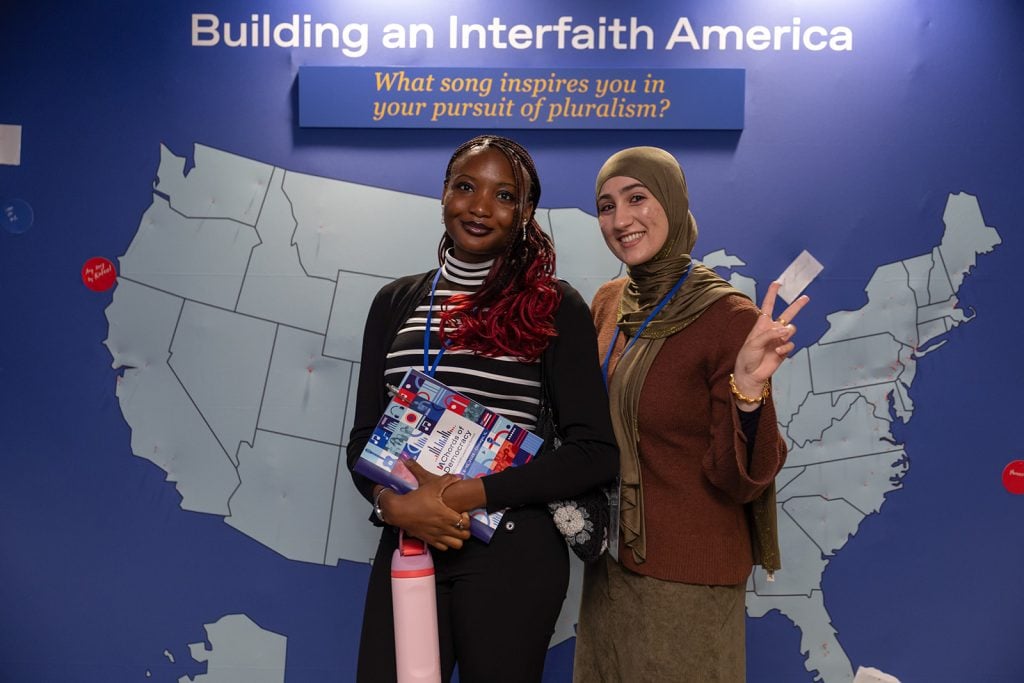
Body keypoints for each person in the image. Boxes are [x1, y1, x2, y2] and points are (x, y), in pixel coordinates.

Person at [346, 135, 618, 683]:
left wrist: (461, 494)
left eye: (504, 195)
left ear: (525, 213)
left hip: (514, 550)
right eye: (465, 187)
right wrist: (390, 505)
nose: (479, 207)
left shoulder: (553, 306)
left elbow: (594, 454)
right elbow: (364, 440)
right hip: (410, 538)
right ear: (444, 193)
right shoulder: (394, 303)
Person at [573, 146, 809, 682]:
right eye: (606, 206)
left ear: (674, 203)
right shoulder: (610, 302)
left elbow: (742, 479)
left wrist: (748, 391)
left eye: (638, 198)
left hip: (688, 580)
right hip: (609, 565)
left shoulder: (728, 317)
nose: (621, 219)